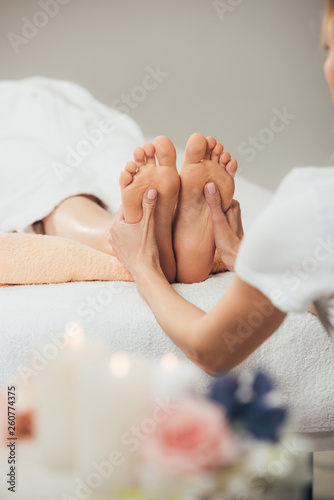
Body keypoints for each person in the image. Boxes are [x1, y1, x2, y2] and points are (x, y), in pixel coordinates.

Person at [109, 0, 334, 375]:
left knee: (66, 209)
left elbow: (210, 349)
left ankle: (152, 244)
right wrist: (248, 257)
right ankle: (174, 242)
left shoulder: (314, 206)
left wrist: (143, 266)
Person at [0, 79, 237, 285]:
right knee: (50, 169)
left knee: (118, 163)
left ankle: (156, 224)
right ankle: (137, 232)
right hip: (47, 112)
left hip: (62, 107)